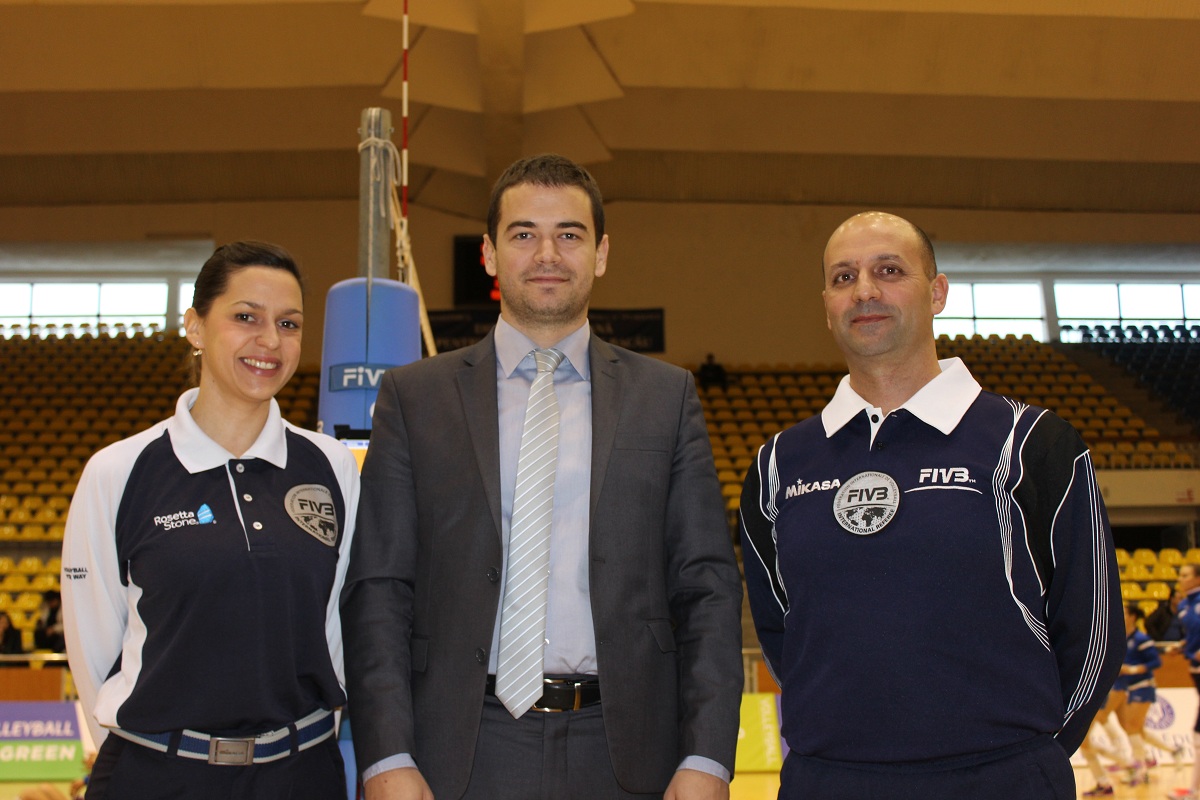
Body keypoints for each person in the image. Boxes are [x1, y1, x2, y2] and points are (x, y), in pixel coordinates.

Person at [341, 154, 743, 800]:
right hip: (463, 751)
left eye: (570, 235)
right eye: (524, 234)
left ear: (602, 252)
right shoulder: (415, 399)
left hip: (628, 753)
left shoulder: (665, 399)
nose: (547, 253)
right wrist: (385, 756)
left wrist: (708, 757)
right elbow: (379, 589)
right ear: (490, 255)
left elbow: (708, 589)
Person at [739, 210, 1123, 799]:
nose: (865, 290)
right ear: (826, 304)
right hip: (827, 781)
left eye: (888, 270)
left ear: (937, 291)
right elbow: (781, 628)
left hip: (1002, 780)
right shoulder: (777, 464)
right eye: (844, 277)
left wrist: (1029, 759)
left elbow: (1093, 631)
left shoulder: (1033, 443)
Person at [61, 241, 360, 800]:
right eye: (245, 317)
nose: (269, 340)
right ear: (195, 327)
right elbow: (94, 648)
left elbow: (340, 628)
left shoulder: (332, 466)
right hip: (156, 776)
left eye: (289, 323)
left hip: (300, 775)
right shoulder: (118, 471)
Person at [1169, 562, 1200, 799]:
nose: (1180, 579)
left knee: (1198, 731)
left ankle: (1194, 790)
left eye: (1185, 575)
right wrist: (1181, 647)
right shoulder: (1183, 606)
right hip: (1195, 669)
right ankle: (1194, 788)